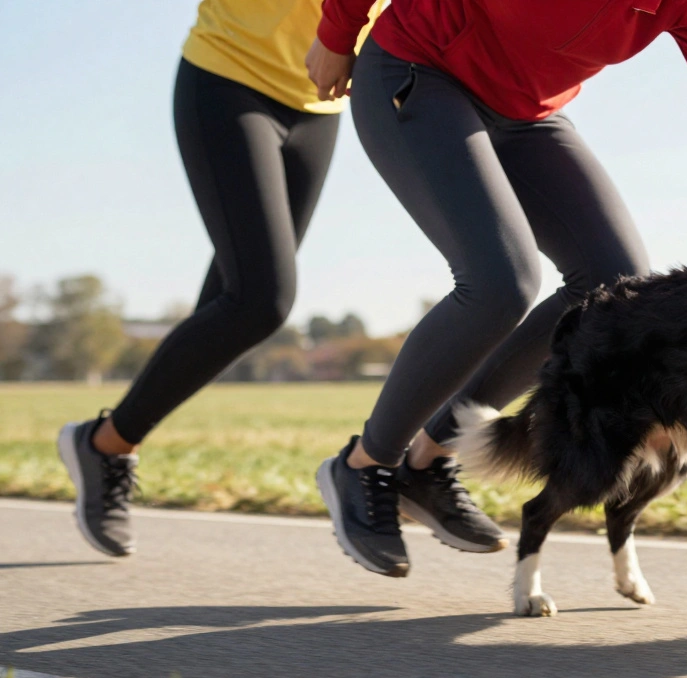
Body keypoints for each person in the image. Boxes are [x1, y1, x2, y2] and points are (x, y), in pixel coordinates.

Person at [306, 0, 687, 578]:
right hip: (419, 70)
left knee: (612, 291)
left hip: (527, 114)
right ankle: (363, 464)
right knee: (500, 282)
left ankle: (427, 462)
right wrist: (338, 30)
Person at [56, 0, 505, 559]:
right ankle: (105, 444)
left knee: (227, 307)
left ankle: (106, 444)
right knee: (260, 300)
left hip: (320, 102)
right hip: (227, 76)